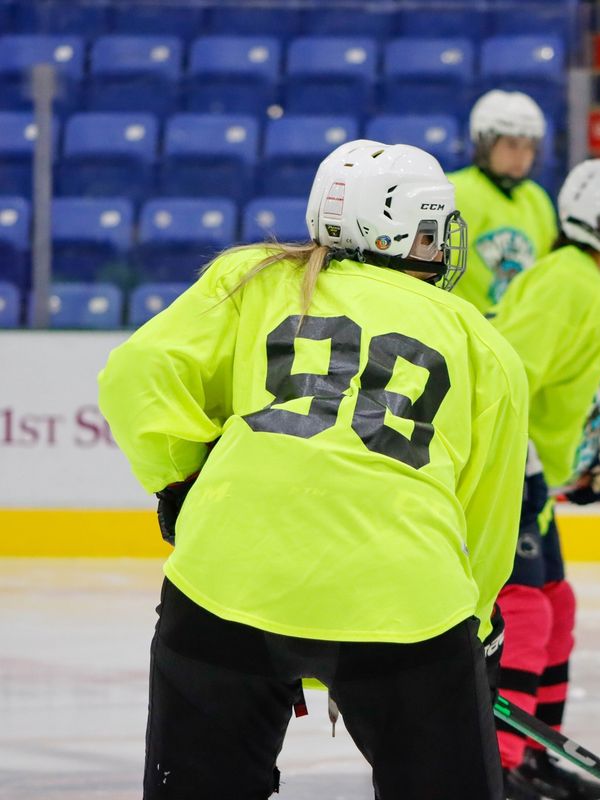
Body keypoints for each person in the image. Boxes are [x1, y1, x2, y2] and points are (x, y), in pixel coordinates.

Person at [97, 141, 530, 800]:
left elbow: (137, 375)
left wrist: (182, 481)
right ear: (416, 230)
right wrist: (474, 620)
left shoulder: (254, 277)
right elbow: (489, 511)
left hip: (228, 576)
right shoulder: (480, 339)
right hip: (403, 597)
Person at [489, 158, 600, 800]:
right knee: (526, 612)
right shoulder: (569, 282)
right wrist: (514, 477)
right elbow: (502, 376)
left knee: (556, 606)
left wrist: (578, 465)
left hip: (529, 472)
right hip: (507, 472)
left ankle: (532, 752)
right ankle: (500, 767)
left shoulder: (594, 282)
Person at [450, 89, 560, 314]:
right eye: (511, 144)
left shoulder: (536, 198)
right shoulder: (455, 192)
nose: (522, 157)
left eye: (529, 146)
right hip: (464, 328)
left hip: (515, 331)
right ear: (484, 143)